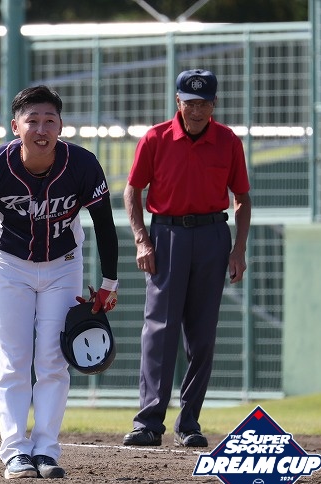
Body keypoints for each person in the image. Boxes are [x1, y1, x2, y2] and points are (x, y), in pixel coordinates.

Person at [0, 85, 119, 479]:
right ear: (16, 127)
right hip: (10, 266)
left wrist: (109, 281)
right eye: (33, 121)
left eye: (50, 120)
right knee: (12, 360)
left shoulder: (82, 164)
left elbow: (104, 223)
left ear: (61, 125)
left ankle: (46, 450)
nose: (41, 129)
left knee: (53, 361)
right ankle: (15, 451)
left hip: (63, 266)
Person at [122, 69, 252, 448]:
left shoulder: (228, 141)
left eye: (204, 103)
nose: (196, 111)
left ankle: (189, 422)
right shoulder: (156, 138)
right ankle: (149, 423)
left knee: (202, 334)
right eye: (189, 103)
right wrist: (142, 240)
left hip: (213, 236)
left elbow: (242, 199)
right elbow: (132, 190)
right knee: (159, 330)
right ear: (177, 101)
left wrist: (238, 250)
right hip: (167, 237)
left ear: (215, 104)